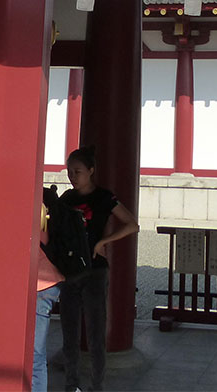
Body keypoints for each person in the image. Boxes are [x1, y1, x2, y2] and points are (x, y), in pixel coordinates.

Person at [57, 147, 140, 391]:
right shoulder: (66, 199)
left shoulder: (104, 197)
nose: (73, 176)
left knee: (95, 334)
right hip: (70, 271)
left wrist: (104, 242)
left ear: (91, 171)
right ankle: (71, 385)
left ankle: (97, 386)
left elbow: (132, 224)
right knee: (69, 333)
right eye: (70, 171)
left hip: (95, 271)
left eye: (78, 171)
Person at [33, 201, 65, 392]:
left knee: (35, 354)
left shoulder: (29, 205)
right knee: (37, 353)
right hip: (50, 282)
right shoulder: (44, 207)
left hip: (38, 284)